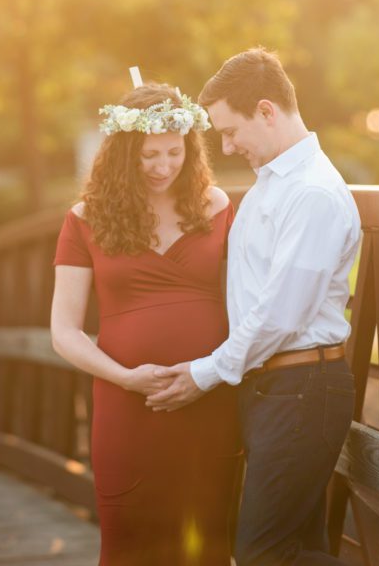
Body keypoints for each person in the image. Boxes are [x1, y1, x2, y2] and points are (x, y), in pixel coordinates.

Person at [146, 49, 361, 566]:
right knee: (299, 546)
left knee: (263, 555)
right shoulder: (274, 185)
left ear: (266, 111)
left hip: (302, 390)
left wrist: (205, 372)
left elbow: (281, 316)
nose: (225, 146)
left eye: (230, 130)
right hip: (272, 388)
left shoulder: (311, 195)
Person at [51, 82, 242, 566]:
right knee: (129, 545)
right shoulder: (85, 219)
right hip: (125, 405)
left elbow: (248, 304)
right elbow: (65, 331)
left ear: (189, 146)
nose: (162, 166)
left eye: (174, 152)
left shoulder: (216, 206)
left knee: (208, 542)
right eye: (148, 155)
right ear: (122, 152)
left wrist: (208, 373)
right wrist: (126, 379)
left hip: (208, 397)